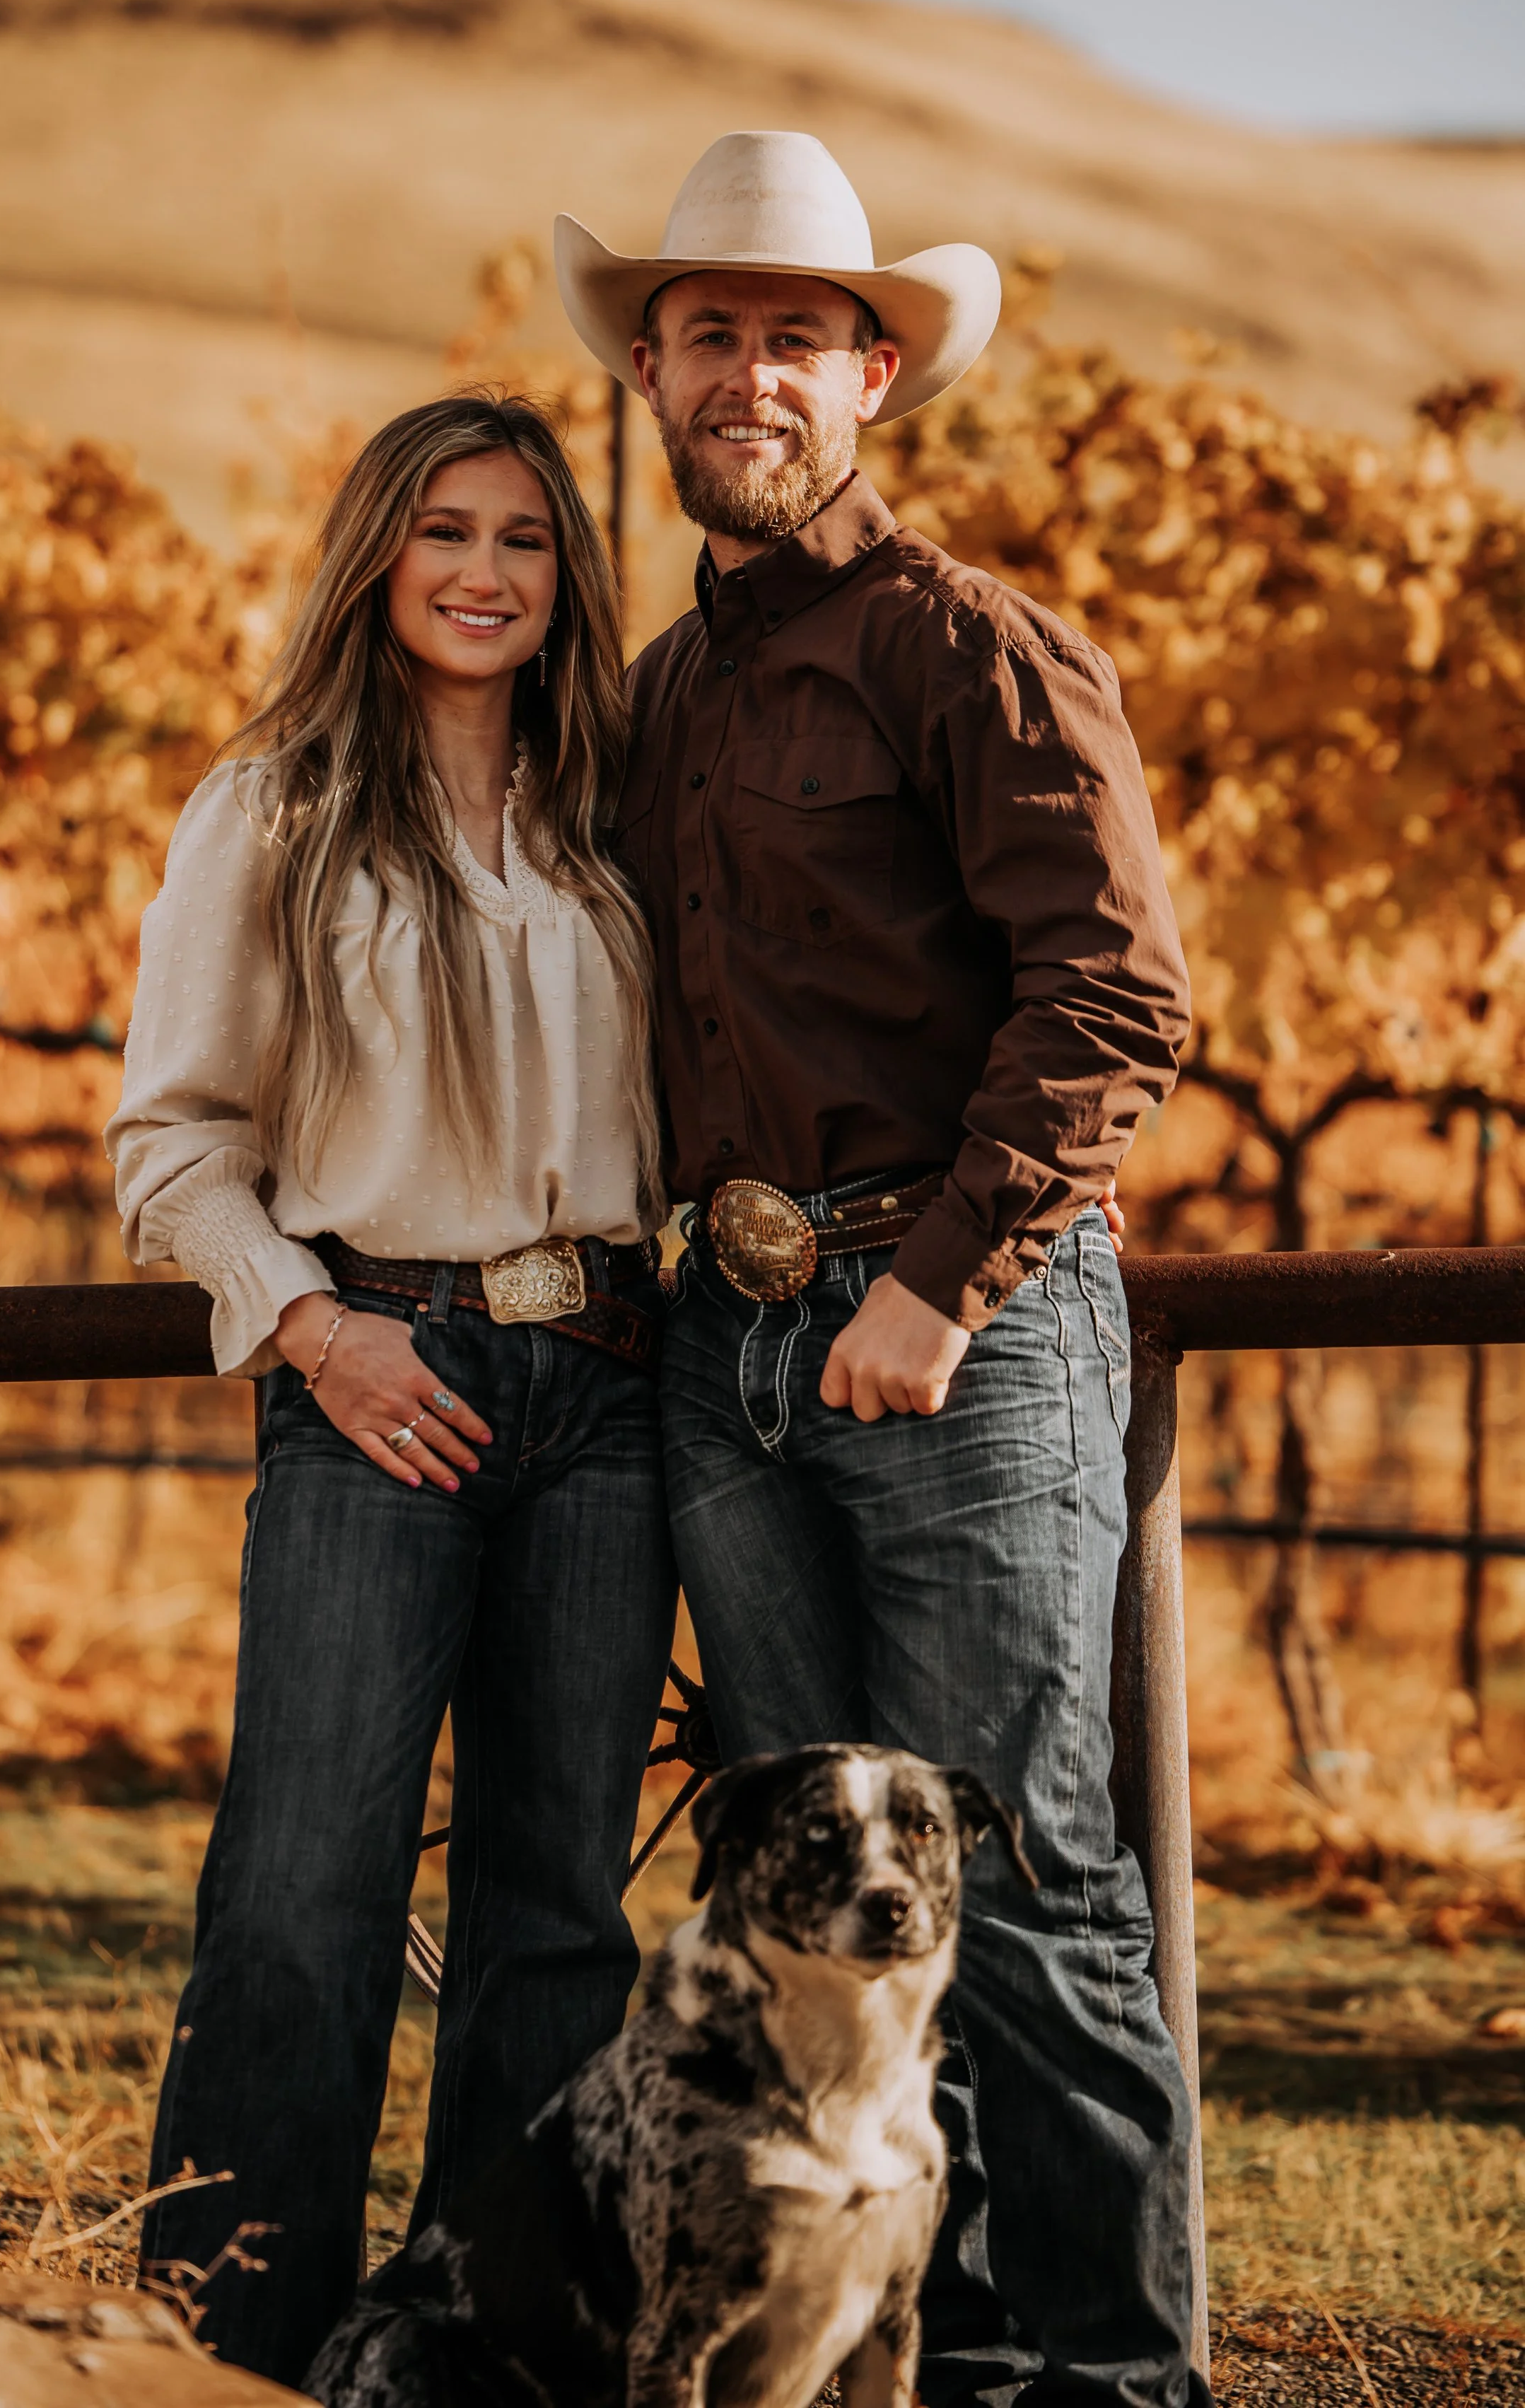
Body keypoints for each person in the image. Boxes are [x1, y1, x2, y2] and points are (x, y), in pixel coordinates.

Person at [554, 133, 1206, 2406]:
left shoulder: (968, 645)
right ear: (651, 368)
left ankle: (1110, 2378)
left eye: (797, 339)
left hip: (960, 1324)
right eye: (710, 332)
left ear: (874, 377)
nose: (751, 375)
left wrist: (931, 1284)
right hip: (726, 1351)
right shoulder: (652, 697)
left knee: (1020, 1883)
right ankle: (910, 2358)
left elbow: (1114, 1000)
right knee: (818, 1901)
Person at [105, 392, 677, 2387]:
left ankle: (486, 2349)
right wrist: (315, 1329)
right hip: (379, 1380)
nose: (482, 571)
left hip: (611, 1394)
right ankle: (225, 2346)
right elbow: (169, 1145)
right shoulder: (266, 808)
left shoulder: (616, 817)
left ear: (568, 579)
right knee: (300, 1889)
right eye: (444, 530)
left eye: (525, 538)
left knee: (558, 1914)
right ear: (377, 552)